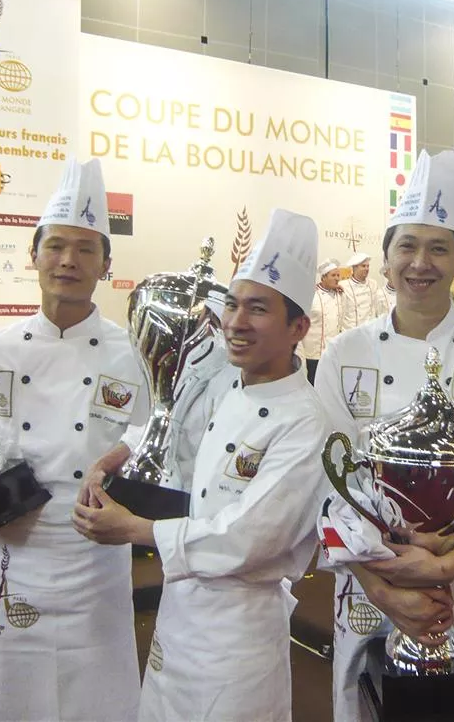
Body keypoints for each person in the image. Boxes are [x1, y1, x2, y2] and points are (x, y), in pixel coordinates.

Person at [72, 209, 332, 722]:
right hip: (178, 616)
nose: (236, 322)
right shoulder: (223, 382)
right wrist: (113, 457)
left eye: (258, 309)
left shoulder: (306, 422)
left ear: (298, 327)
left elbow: (247, 538)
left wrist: (135, 529)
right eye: (232, 305)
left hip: (239, 635)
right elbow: (168, 419)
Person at [0, 158, 149, 722]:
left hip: (95, 551)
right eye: (56, 246)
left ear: (106, 264)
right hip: (15, 548)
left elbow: (149, 443)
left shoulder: (133, 355)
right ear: (33, 255)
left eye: (85, 249)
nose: (69, 260)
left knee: (99, 694)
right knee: (14, 694)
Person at [315, 149, 454, 722]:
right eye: (406, 246)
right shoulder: (344, 353)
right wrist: (381, 583)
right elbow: (327, 475)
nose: (420, 263)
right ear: (386, 260)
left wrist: (448, 563)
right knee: (364, 702)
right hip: (369, 578)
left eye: (439, 248)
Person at [302, 258, 345, 383]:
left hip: (333, 350)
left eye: (338, 275)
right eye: (333, 275)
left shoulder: (340, 294)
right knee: (314, 382)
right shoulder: (311, 294)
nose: (337, 278)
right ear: (323, 277)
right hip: (314, 351)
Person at [340, 251, 382, 329]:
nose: (367, 269)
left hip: (370, 329)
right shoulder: (343, 285)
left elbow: (377, 306)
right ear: (355, 268)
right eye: (363, 266)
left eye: (368, 266)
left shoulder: (373, 284)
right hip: (351, 330)